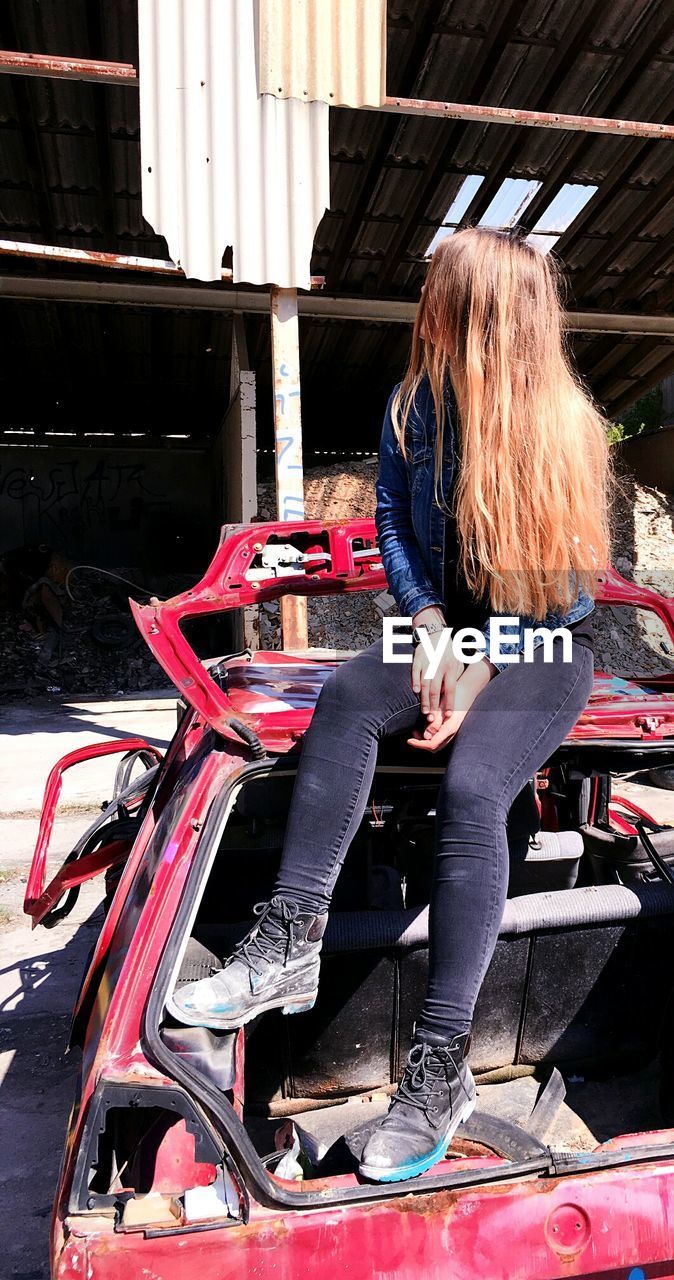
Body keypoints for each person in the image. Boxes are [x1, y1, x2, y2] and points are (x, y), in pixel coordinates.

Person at [169, 227, 612, 1182]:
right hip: (443, 632)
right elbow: (392, 529)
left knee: (473, 794)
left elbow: (568, 598)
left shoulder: (565, 424)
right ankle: (288, 940)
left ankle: (440, 1069)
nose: (427, 308)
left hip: (538, 642)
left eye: (443, 293)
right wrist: (428, 625)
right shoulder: (415, 408)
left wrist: (480, 662)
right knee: (342, 697)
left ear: (489, 314)